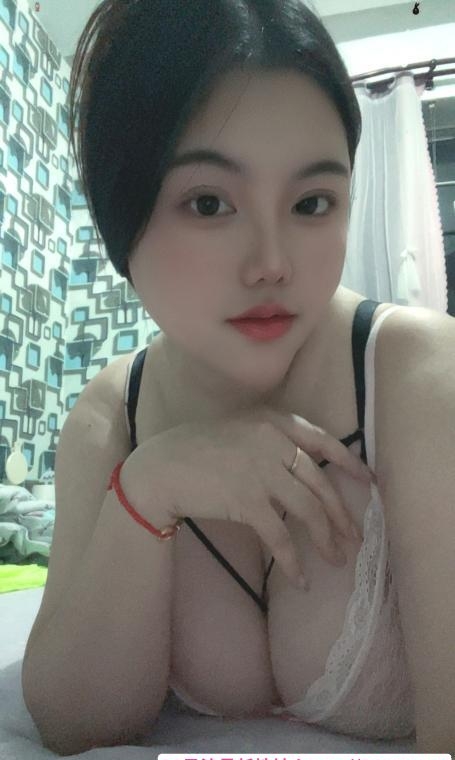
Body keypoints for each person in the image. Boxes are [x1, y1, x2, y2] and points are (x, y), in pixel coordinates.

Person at [21, 0, 417, 754]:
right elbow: (76, 725)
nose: (271, 262)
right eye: (208, 203)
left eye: (311, 203)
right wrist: (147, 489)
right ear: (120, 212)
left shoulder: (414, 377)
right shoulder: (111, 415)